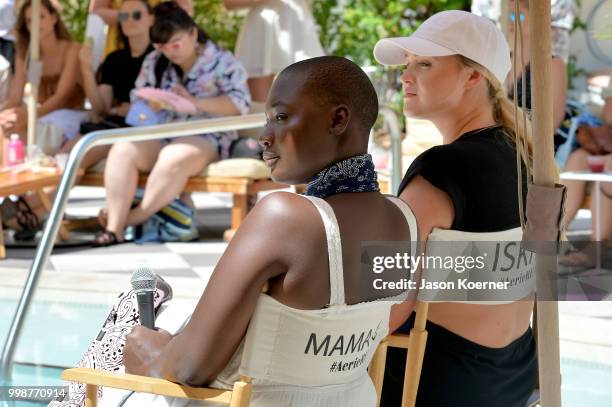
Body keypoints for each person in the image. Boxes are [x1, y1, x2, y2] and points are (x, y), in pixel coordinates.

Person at [54, 56, 418, 407]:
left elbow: (190, 369)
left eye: (280, 117)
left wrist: (149, 355)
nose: (264, 136)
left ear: (338, 119)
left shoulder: (285, 216)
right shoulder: (404, 220)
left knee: (121, 330)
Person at [374, 10, 540, 406]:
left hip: (432, 384)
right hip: (515, 380)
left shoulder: (440, 170)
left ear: (473, 76)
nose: (406, 76)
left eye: (425, 64)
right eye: (408, 65)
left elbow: (385, 309)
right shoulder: (526, 159)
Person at [94, 1, 251, 246]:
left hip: (208, 135)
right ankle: (114, 228)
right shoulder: (155, 59)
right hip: (164, 129)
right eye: (161, 45)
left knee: (172, 155)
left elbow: (240, 103)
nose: (169, 51)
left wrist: (195, 102)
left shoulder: (222, 60)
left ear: (193, 33)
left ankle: (132, 219)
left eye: (175, 44)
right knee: (123, 148)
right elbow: (138, 93)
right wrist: (155, 101)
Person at [63, 0, 155, 171]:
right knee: (63, 155)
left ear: (151, 19)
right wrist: (86, 70)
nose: (129, 20)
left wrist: (137, 111)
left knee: (76, 158)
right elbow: (101, 108)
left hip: (138, 131)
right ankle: (35, 198)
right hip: (110, 127)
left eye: (136, 15)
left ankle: (38, 198)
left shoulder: (161, 58)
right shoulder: (114, 59)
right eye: (123, 15)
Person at [0, 0, 85, 165]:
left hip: (67, 117)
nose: (36, 24)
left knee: (17, 131)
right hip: (38, 115)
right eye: (30, 20)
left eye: (41, 17)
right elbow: (15, 97)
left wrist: (28, 116)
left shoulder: (72, 49)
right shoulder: (25, 52)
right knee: (5, 127)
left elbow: (61, 96)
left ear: (54, 18)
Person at [223, 0, 325, 102]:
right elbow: (230, 3)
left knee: (309, 105)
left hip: (299, 31)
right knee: (261, 110)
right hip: (262, 31)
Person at [90, 0, 192, 57]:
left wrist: (150, 18)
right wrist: (128, 16)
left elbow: (186, 10)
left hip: (162, 46)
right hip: (120, 46)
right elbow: (96, 12)